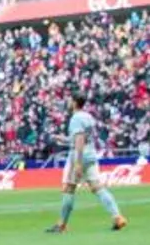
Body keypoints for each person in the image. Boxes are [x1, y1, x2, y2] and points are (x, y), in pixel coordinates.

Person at [46, 92, 128, 233]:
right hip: (90, 154)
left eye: (70, 100)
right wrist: (64, 139)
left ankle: (62, 225)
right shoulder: (88, 117)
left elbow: (79, 140)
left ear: (74, 102)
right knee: (97, 187)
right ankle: (117, 217)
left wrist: (77, 163)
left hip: (78, 155)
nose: (68, 103)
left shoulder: (75, 118)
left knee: (69, 188)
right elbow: (84, 137)